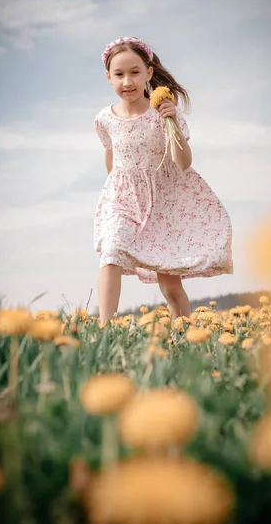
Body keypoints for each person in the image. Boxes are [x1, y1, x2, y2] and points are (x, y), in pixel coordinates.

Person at [94, 36, 233, 324]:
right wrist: (117, 196)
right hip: (124, 201)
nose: (127, 81)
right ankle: (104, 330)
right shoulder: (104, 119)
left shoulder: (163, 112)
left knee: (170, 285)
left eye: (134, 72)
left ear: (148, 72)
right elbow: (112, 158)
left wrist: (171, 122)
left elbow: (183, 162)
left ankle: (182, 333)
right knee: (111, 250)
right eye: (119, 74)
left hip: (164, 204)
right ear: (109, 78)